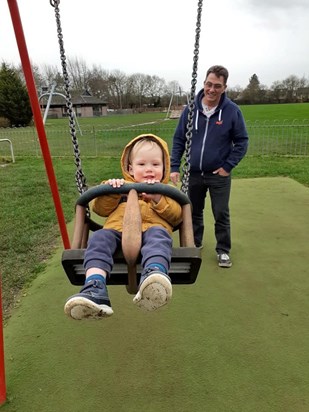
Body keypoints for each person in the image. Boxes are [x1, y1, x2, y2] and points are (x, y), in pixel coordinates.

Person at [65, 134, 182, 320]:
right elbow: (100, 209)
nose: (149, 169)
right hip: (117, 232)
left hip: (152, 231)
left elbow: (177, 216)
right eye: (142, 165)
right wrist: (112, 191)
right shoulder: (119, 188)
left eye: (155, 164)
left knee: (159, 235)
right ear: (130, 168)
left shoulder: (166, 192)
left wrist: (158, 198)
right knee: (99, 238)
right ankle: (94, 287)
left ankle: (154, 276)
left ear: (164, 168)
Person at [170, 65, 248, 268]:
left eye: (217, 86)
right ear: (204, 83)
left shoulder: (231, 111)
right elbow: (179, 139)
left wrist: (227, 166)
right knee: (193, 211)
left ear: (224, 87)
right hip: (194, 172)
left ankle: (223, 250)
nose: (212, 89)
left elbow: (242, 141)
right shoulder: (190, 110)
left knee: (221, 212)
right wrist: (175, 166)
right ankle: (195, 244)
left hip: (218, 174)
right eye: (209, 84)